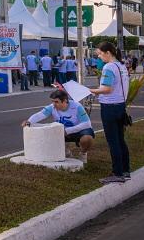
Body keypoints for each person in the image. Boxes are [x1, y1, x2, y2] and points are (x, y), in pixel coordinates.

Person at [89, 42, 131, 184]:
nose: (99, 57)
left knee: (113, 141)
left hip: (109, 107)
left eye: (100, 54)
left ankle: (117, 173)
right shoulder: (122, 66)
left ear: (108, 52)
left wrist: (90, 90)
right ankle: (125, 170)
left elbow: (107, 89)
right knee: (120, 140)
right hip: (120, 106)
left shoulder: (108, 67)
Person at [23, 89, 94, 161]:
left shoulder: (77, 106)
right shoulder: (52, 107)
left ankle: (83, 153)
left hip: (78, 130)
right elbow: (40, 114)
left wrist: (68, 131)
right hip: (61, 131)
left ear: (65, 101)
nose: (53, 104)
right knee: (49, 133)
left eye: (56, 102)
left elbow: (87, 123)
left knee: (87, 139)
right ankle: (66, 150)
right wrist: (29, 121)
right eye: (52, 101)